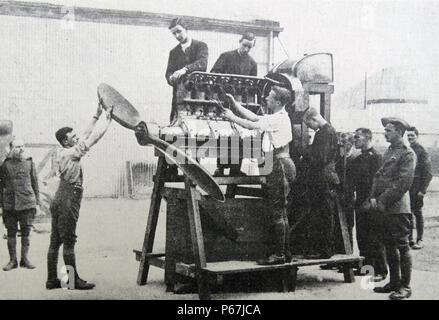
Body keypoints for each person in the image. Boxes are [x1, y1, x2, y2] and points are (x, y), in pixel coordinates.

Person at [222, 86, 296, 265]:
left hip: (278, 164)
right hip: (279, 162)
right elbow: (254, 117)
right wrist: (234, 104)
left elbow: (252, 124)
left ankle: (279, 255)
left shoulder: (278, 119)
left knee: (277, 212)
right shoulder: (277, 117)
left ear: (278, 102)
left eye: (269, 97)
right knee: (281, 212)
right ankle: (284, 253)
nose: (266, 99)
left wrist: (232, 117)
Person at [46, 103, 112, 290]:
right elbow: (93, 139)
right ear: (67, 142)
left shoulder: (62, 150)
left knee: (55, 240)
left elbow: (84, 134)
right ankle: (73, 282)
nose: (77, 138)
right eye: (73, 137)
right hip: (69, 197)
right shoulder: (72, 153)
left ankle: (52, 280)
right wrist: (107, 122)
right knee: (69, 241)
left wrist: (96, 115)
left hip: (60, 196)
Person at [369, 117, 415, 300]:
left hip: (397, 208)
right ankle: (394, 282)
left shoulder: (407, 153)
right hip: (384, 207)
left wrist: (382, 201)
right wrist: (373, 196)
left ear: (398, 132)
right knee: (389, 245)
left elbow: (402, 183)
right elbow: (378, 176)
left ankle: (406, 286)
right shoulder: (389, 151)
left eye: (388, 130)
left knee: (402, 247)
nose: (385, 133)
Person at [211, 32, 258, 177]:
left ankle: (236, 168)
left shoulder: (252, 63)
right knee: (224, 132)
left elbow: (253, 85)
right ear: (240, 42)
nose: (245, 49)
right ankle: (221, 167)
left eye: (249, 47)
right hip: (224, 101)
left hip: (241, 103)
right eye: (244, 45)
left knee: (240, 132)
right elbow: (213, 74)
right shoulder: (226, 56)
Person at [299, 107, 340, 259]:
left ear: (315, 119)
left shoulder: (324, 133)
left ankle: (325, 251)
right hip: (324, 179)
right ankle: (324, 250)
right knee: (323, 214)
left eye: (310, 125)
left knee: (324, 215)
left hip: (323, 180)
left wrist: (305, 153)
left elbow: (320, 158)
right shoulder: (327, 131)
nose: (310, 128)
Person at [351, 128, 387, 282]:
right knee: (362, 235)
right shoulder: (359, 158)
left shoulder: (376, 157)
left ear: (367, 138)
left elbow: (378, 181)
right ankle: (367, 268)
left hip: (372, 202)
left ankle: (381, 270)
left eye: (357, 137)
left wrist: (371, 200)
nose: (355, 140)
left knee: (375, 237)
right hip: (360, 200)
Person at [0, 138, 39, 271]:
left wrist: (37, 203)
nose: (21, 149)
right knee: (11, 233)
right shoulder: (5, 165)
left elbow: (35, 184)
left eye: (22, 146)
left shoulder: (29, 163)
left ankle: (25, 259)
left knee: (26, 232)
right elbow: (1, 186)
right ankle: (13, 261)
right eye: (17, 147)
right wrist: (1, 205)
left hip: (27, 203)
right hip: (10, 204)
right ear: (11, 149)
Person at [165, 17, 208, 123]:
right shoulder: (173, 52)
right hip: (180, 95)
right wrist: (171, 78)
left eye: (179, 31)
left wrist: (184, 69)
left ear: (186, 29)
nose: (177, 36)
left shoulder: (201, 46)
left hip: (198, 95)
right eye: (174, 34)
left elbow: (202, 63)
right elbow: (168, 72)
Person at [406, 127, 433, 250]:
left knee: (417, 212)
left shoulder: (422, 150)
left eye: (412, 135)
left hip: (417, 186)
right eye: (408, 136)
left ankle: (420, 239)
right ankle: (410, 239)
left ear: (417, 136)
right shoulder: (408, 149)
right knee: (408, 212)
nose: (410, 138)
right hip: (409, 185)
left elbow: (428, 173)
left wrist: (422, 190)